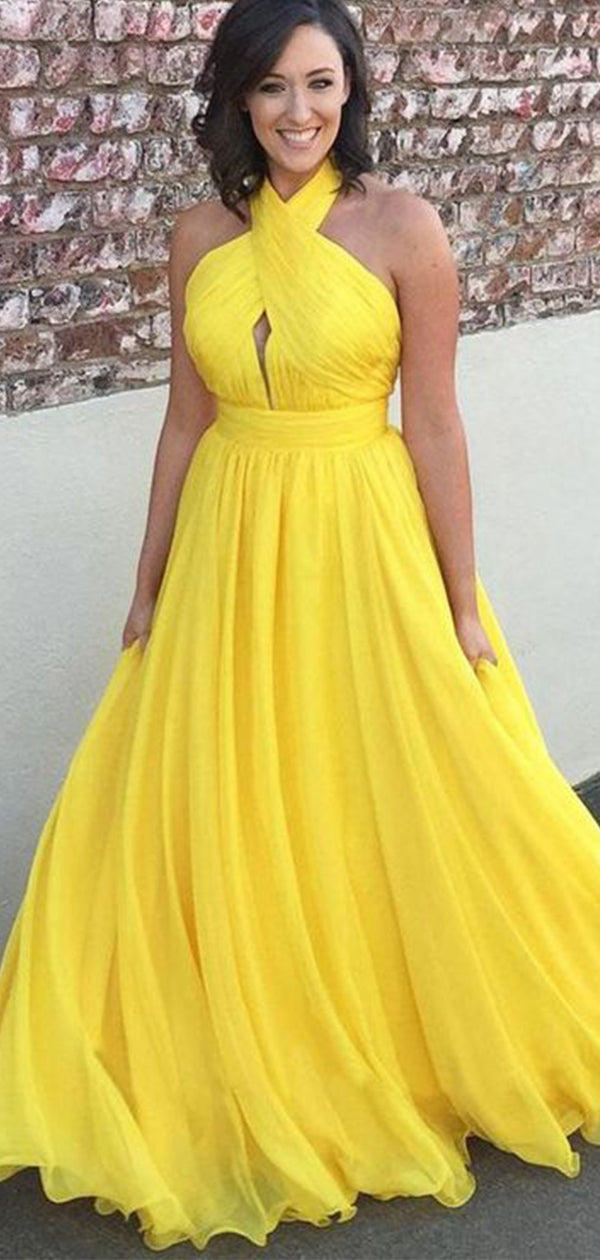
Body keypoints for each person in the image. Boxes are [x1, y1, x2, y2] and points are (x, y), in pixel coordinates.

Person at [1, 0, 600, 1253]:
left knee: (381, 774)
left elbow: (434, 421)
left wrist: (462, 598)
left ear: (353, 92)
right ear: (237, 97)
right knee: (234, 785)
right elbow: (185, 418)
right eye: (273, 86)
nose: (299, 110)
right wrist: (149, 578)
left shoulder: (403, 227)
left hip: (358, 533)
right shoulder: (198, 235)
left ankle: (400, 1028)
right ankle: (254, 1028)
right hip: (231, 538)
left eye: (321, 83)